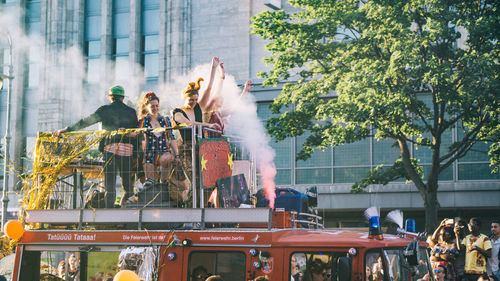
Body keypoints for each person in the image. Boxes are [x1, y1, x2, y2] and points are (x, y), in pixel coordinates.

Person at [55, 85, 138, 207]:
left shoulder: (104, 110)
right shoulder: (131, 112)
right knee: (128, 187)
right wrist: (136, 155)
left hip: (110, 150)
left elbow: (85, 122)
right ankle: (128, 213)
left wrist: (66, 130)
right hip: (127, 152)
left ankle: (108, 216)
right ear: (122, 98)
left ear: (110, 97)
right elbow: (137, 133)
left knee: (109, 187)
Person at [135, 92, 180, 187]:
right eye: (152, 106)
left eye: (157, 106)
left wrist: (177, 155)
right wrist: (124, 132)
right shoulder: (143, 121)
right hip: (149, 153)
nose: (155, 108)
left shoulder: (165, 120)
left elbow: (171, 138)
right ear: (147, 107)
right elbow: (135, 133)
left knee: (168, 159)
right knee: (150, 182)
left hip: (164, 151)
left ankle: (163, 182)